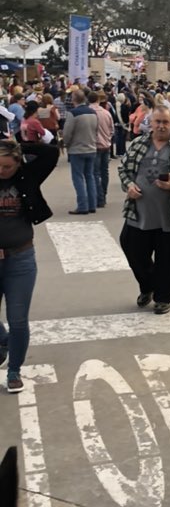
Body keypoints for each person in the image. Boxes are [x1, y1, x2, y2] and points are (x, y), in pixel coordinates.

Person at [117, 106, 170, 315]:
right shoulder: (137, 144)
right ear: (151, 123)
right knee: (133, 251)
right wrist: (128, 186)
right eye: (158, 121)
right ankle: (148, 286)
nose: (161, 126)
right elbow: (124, 169)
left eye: (165, 122)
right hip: (139, 213)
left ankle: (163, 298)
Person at [0, 138, 59, 392]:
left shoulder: (27, 176)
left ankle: (14, 370)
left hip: (20, 258)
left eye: (7, 166)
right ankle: (4, 341)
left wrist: (17, 145)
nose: (1, 171)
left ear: (18, 163)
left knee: (18, 319)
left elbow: (51, 153)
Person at [63, 89, 98, 215]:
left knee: (78, 177)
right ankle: (92, 204)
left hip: (77, 149)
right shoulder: (93, 112)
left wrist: (66, 144)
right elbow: (96, 129)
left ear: (74, 99)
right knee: (90, 176)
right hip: (91, 147)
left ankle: (82, 205)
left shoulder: (73, 114)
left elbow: (67, 133)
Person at [88, 90, 115, 207]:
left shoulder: (89, 113)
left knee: (95, 173)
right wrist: (107, 138)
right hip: (106, 145)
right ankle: (103, 193)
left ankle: (99, 198)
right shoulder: (106, 113)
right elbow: (112, 130)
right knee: (104, 172)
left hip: (94, 145)